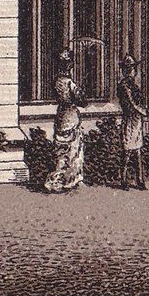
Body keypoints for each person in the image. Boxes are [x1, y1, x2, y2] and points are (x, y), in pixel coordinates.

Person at [42, 49, 86, 193]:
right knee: (73, 151)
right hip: (71, 116)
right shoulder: (69, 83)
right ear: (69, 65)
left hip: (61, 116)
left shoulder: (57, 82)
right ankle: (70, 180)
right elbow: (82, 101)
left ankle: (58, 179)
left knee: (61, 151)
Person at [115, 54, 148, 190]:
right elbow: (131, 103)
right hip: (130, 118)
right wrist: (143, 111)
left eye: (133, 69)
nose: (132, 71)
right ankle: (124, 180)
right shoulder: (124, 86)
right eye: (130, 69)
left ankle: (140, 180)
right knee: (128, 151)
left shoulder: (132, 84)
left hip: (136, 120)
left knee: (138, 151)